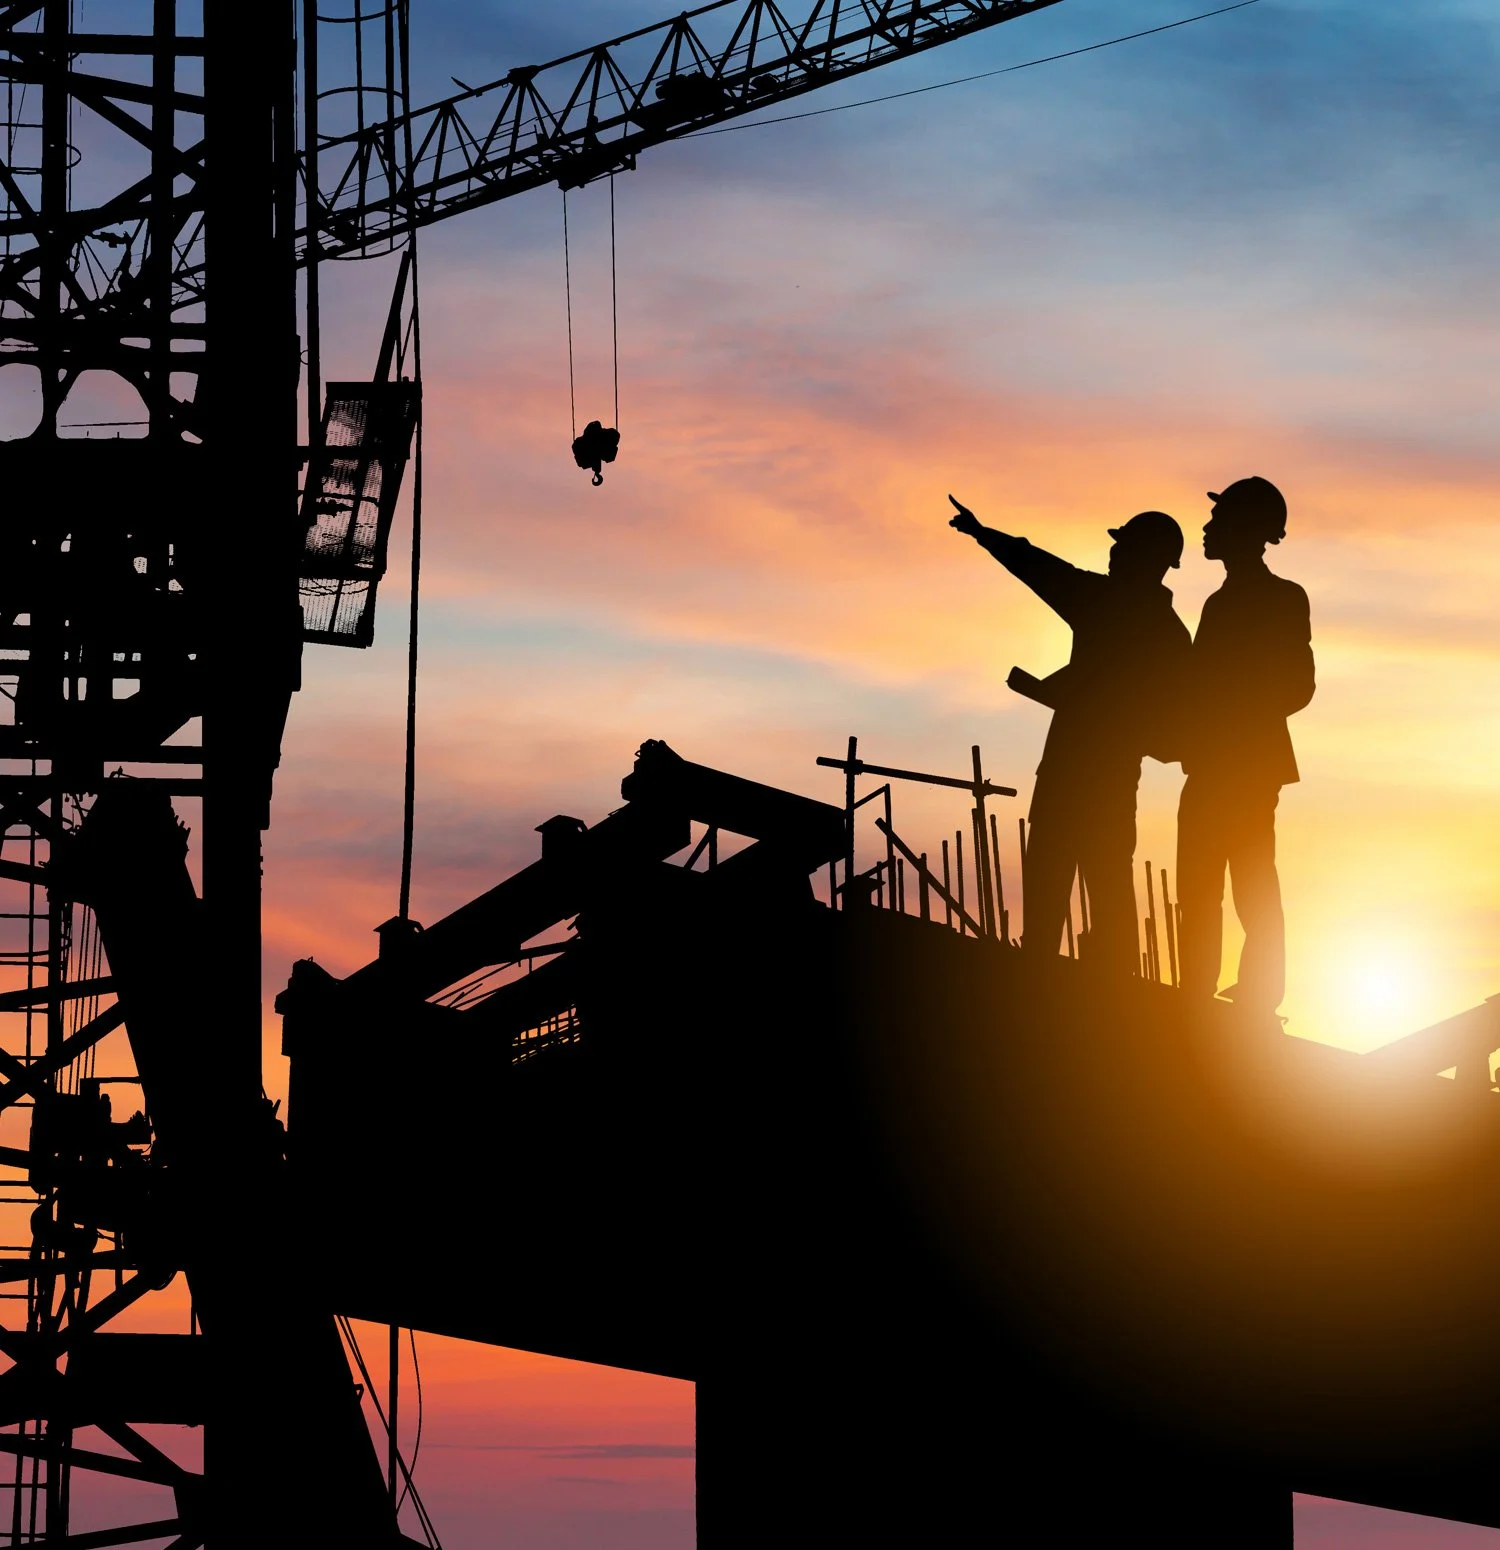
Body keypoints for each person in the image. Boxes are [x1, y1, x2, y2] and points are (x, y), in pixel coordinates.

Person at [948, 496, 1191, 975]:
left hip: (1077, 775)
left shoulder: (1106, 604)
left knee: (1062, 887)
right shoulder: (1171, 634)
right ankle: (1113, 998)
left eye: (1123, 547)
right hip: (1108, 781)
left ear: (1147, 557)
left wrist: (983, 533)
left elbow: (1039, 568)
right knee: (1105, 889)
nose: (1113, 553)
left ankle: (1050, 991)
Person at [1175, 476, 1314, 1016]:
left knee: (1252, 884)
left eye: (1219, 520)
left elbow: (1298, 685)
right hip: (1212, 766)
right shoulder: (1216, 604)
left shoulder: (1283, 598)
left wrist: (1232, 710)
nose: (1207, 530)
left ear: (1246, 529)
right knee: (1199, 887)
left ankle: (1258, 994)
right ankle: (1196, 992)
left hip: (1248, 768)